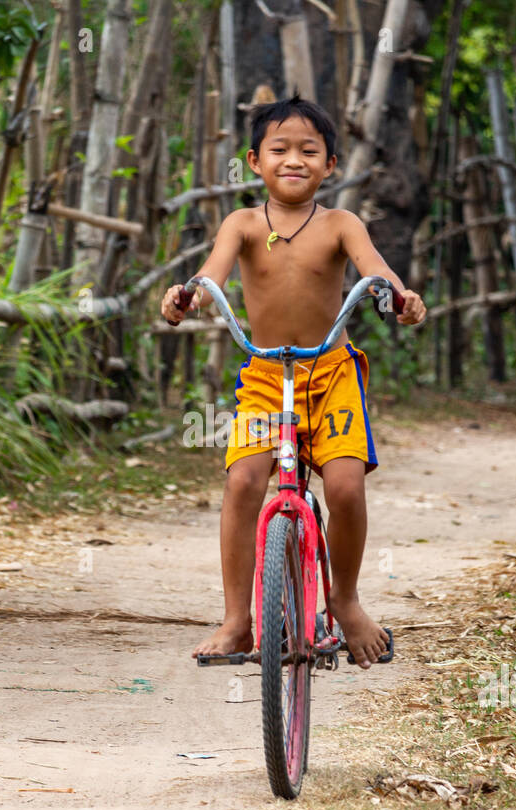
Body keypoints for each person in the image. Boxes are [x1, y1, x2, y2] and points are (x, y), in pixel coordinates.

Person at [160, 94, 426, 669]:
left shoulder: (340, 223)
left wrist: (399, 298)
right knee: (243, 483)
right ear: (255, 160)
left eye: (310, 150)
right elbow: (212, 273)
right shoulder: (243, 223)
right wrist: (189, 293)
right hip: (264, 375)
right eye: (279, 149)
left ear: (331, 165)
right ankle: (237, 620)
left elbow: (374, 269)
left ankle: (346, 601)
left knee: (347, 488)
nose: (294, 160)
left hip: (330, 374)